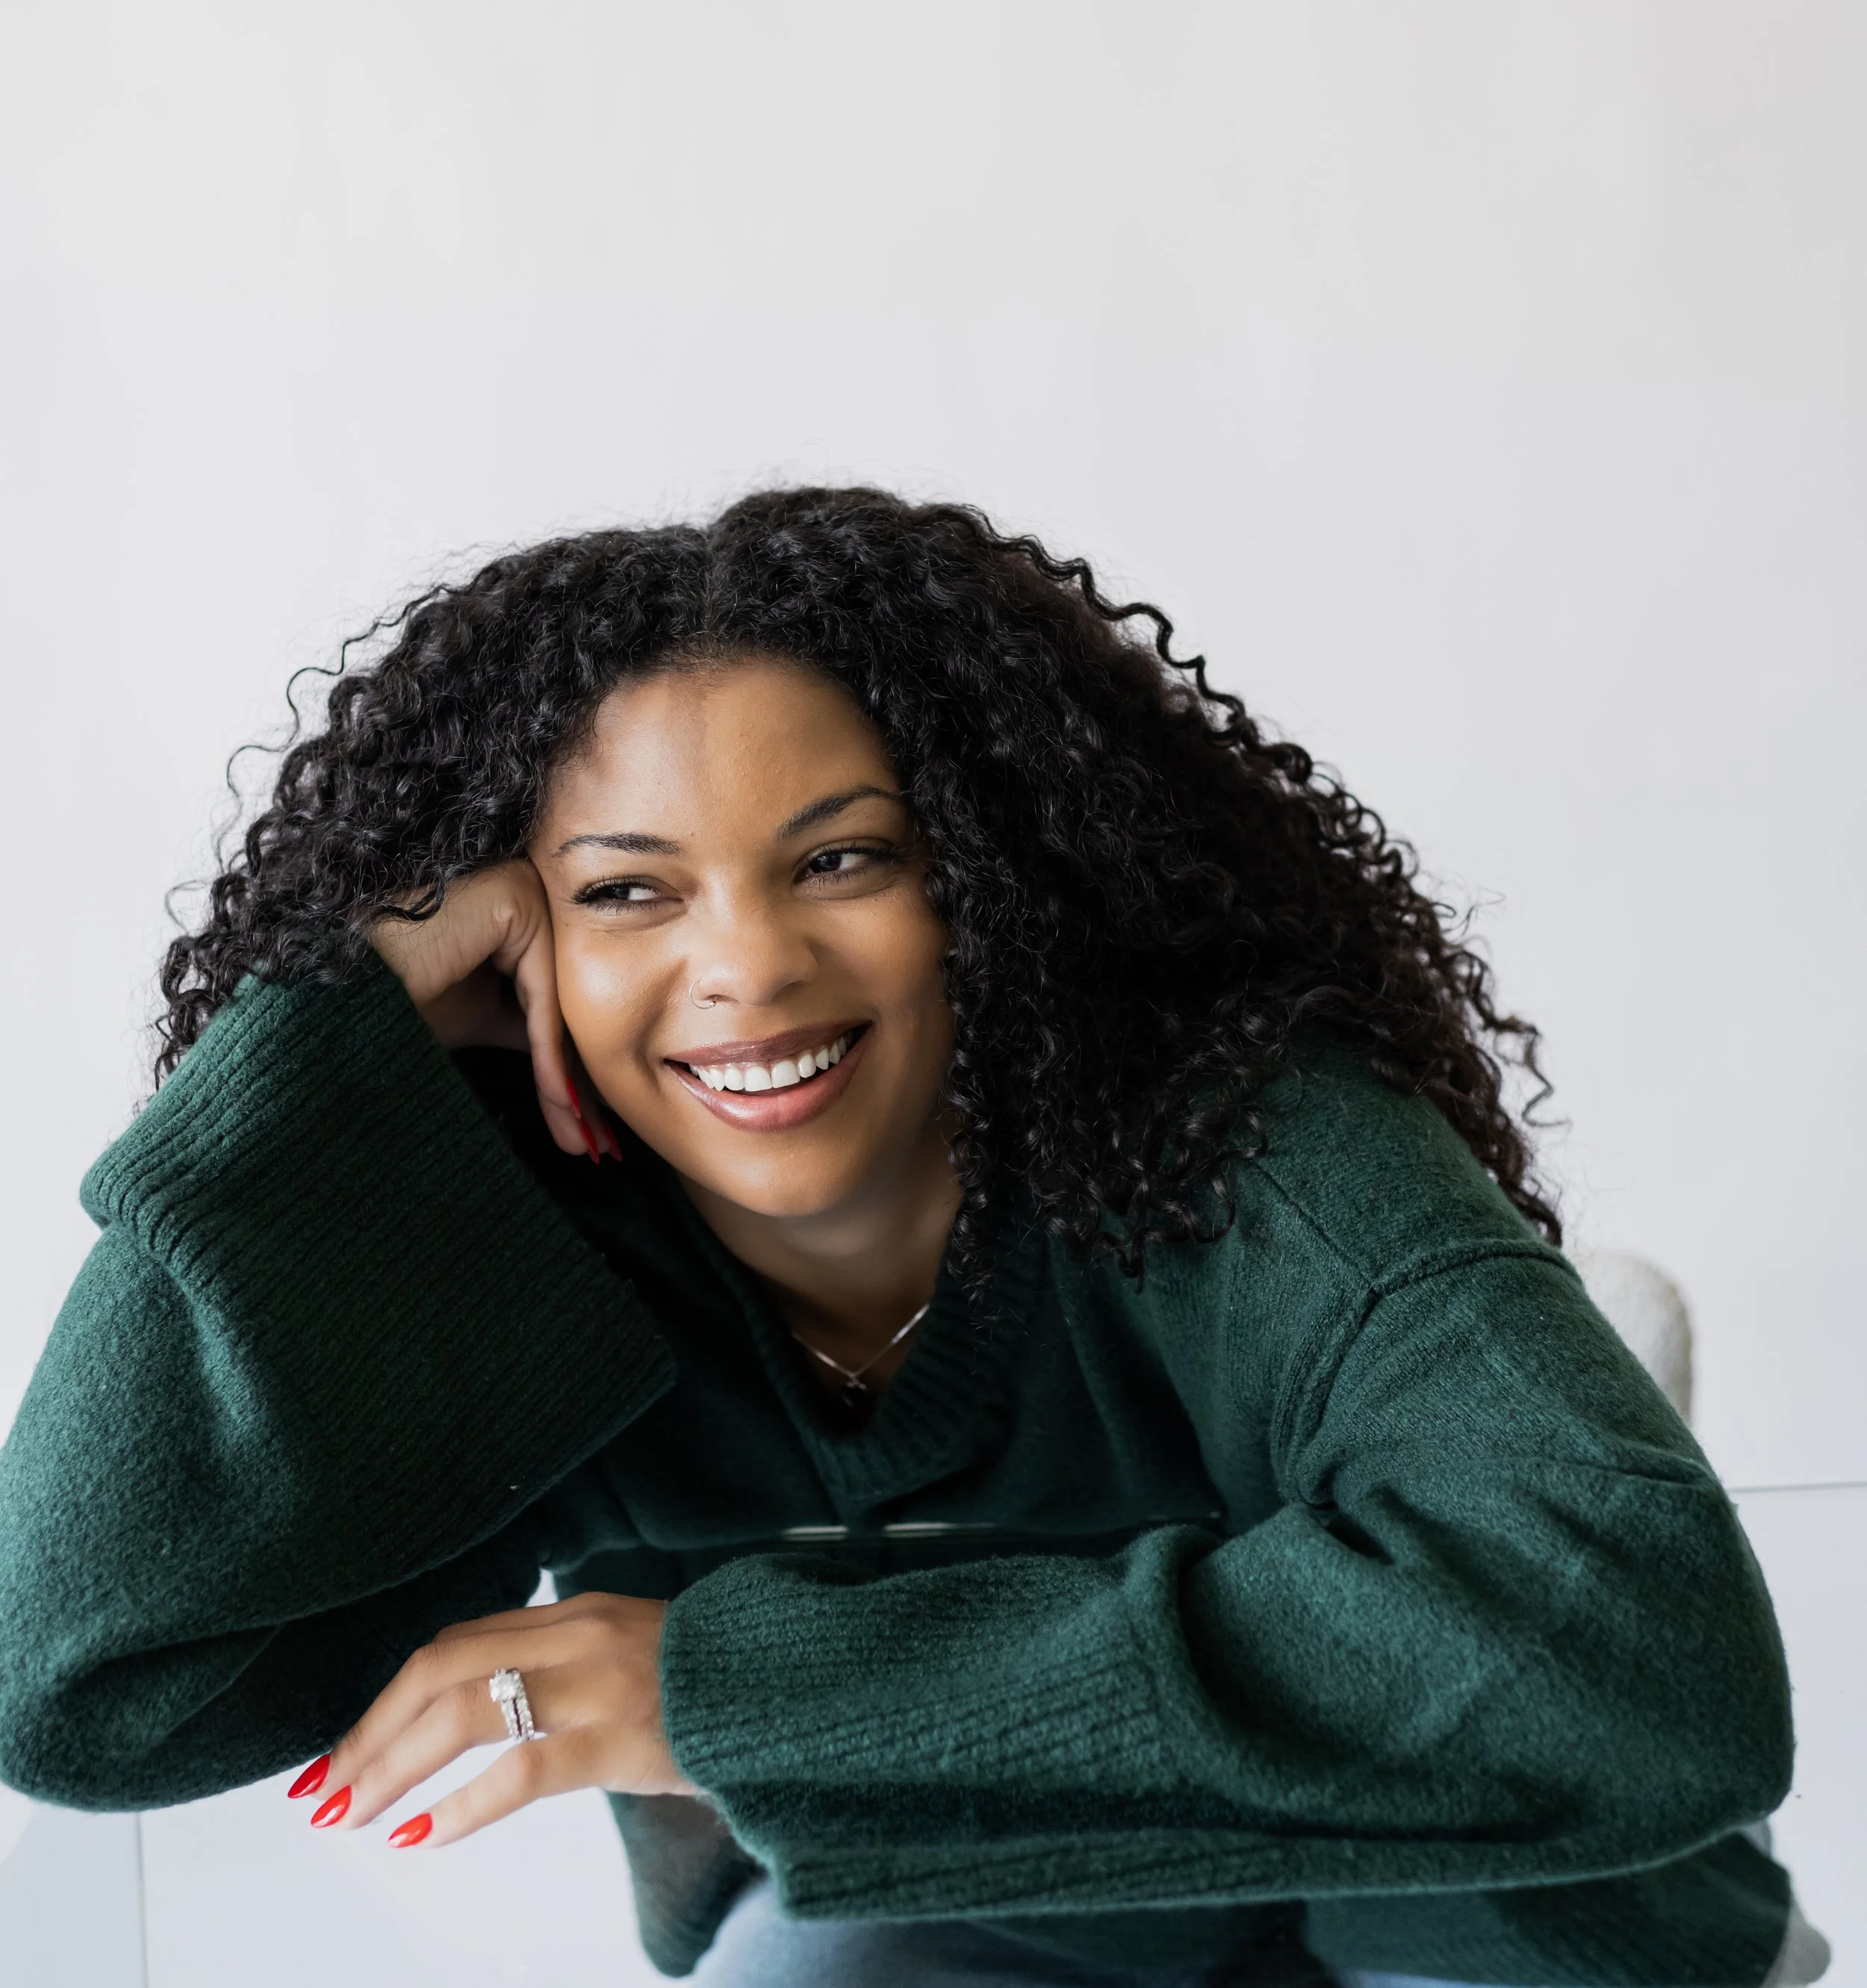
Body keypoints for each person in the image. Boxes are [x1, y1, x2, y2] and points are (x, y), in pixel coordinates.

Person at [0, 488, 1822, 1987]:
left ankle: (1508, 1424)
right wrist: (325, 1063)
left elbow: (1645, 1670)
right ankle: (1481, 1454)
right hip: (961, 1885)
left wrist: (727, 1684)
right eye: (628, 891)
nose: (746, 967)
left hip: (1465, 1867)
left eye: (842, 859)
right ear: (519, 947)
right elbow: (79, 1693)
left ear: (991, 875)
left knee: (1526, 1628)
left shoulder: (1231, 1138)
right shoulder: (535, 1250)